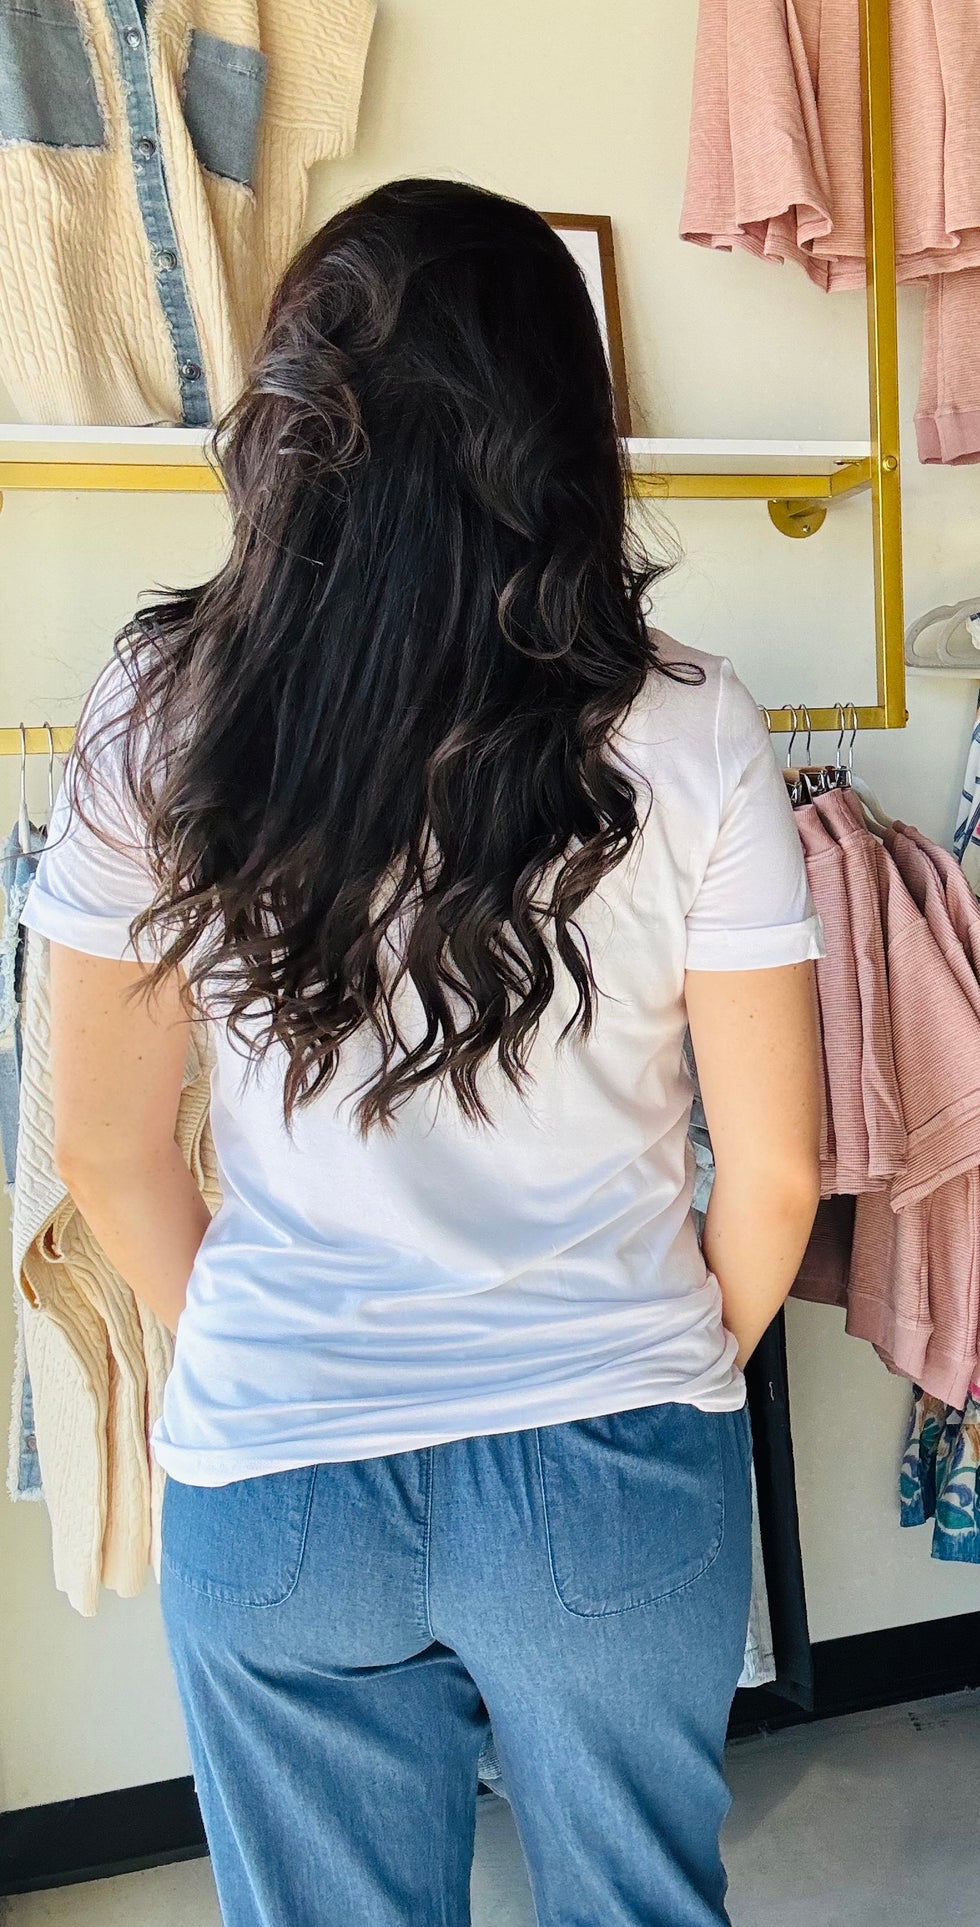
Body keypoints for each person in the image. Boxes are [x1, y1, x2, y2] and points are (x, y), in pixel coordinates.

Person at [24, 179, 824, 1927]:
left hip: (281, 1466)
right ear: (567, 426)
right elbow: (775, 1175)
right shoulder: (688, 720)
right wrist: (657, 1363)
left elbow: (102, 1150)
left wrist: (267, 1350)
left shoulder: (160, 709)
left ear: (291, 417)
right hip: (612, 1452)